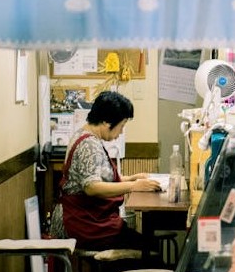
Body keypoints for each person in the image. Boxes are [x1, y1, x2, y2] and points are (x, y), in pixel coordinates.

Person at [49, 90, 160, 251]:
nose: (121, 132)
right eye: (121, 126)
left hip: (86, 217)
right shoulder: (89, 145)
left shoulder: (84, 135)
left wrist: (132, 178)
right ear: (107, 122)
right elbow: (92, 187)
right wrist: (133, 186)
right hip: (82, 222)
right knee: (147, 249)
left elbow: (101, 178)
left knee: (143, 244)